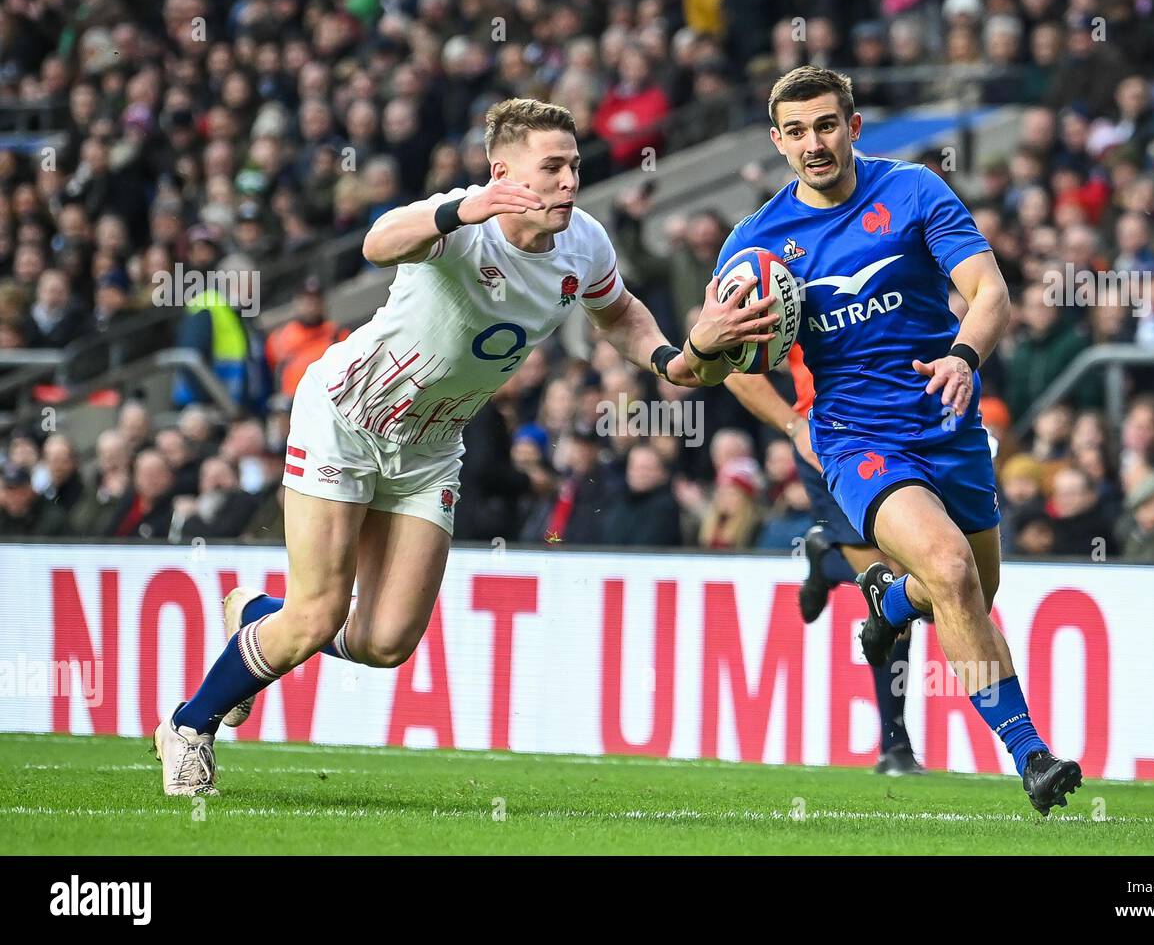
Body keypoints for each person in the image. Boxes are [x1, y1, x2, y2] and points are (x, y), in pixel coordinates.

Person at [153, 98, 775, 796]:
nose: (570, 180)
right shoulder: (463, 220)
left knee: (385, 642)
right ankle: (188, 726)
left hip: (431, 447)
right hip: (346, 418)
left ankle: (260, 621)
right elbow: (378, 241)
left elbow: (618, 310)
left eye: (573, 164)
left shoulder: (585, 241)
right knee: (320, 612)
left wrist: (668, 359)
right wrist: (460, 211)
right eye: (553, 167)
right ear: (503, 172)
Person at [715, 66, 1080, 814]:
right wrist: (785, 417)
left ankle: (884, 605)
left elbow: (989, 290)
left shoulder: (914, 191)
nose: (814, 143)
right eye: (797, 131)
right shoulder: (756, 245)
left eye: (826, 125)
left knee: (973, 589)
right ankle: (1032, 756)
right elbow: (721, 358)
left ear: (853, 126)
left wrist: (963, 357)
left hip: (949, 424)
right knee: (950, 570)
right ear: (777, 142)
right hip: (855, 440)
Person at [726, 341, 923, 775]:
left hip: (899, 438)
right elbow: (730, 365)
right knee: (889, 585)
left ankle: (826, 558)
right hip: (833, 447)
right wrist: (794, 428)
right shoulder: (796, 279)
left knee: (912, 584)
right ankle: (895, 744)